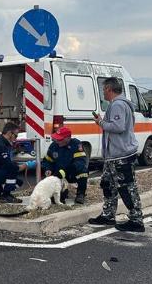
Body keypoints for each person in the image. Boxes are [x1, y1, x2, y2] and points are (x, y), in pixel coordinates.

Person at [89, 77, 144, 232]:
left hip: (121, 156)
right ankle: (108, 214)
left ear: (109, 89)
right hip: (113, 156)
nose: (103, 92)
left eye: (104, 89)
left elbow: (118, 127)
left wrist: (100, 123)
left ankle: (136, 220)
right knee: (107, 184)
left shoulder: (118, 105)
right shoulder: (118, 104)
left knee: (127, 188)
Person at [42, 126, 89, 204]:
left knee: (83, 171)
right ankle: (61, 193)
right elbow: (47, 160)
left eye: (60, 139)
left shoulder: (76, 144)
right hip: (57, 174)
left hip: (71, 173)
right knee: (58, 198)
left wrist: (65, 171)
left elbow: (80, 162)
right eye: (56, 138)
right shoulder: (54, 145)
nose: (57, 141)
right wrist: (48, 169)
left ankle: (81, 194)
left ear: (68, 138)